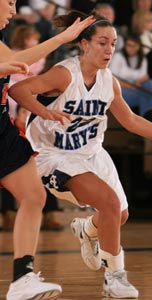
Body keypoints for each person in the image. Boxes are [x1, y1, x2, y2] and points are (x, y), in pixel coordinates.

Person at [9, 10, 152, 298]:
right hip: (54, 155)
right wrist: (44, 110)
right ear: (84, 44)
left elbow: (131, 121)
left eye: (113, 43)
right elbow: (19, 90)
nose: (109, 49)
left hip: (92, 153)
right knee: (109, 204)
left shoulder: (109, 81)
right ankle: (115, 278)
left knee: (119, 215)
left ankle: (87, 229)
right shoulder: (64, 73)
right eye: (102, 42)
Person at [0, 1, 95, 299]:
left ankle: (22, 278)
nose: (13, 11)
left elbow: (19, 60)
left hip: (2, 127)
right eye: (10, 3)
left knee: (33, 195)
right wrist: (62, 39)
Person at [109, 33, 152, 122]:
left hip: (136, 88)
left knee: (150, 83)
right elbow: (112, 78)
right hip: (120, 89)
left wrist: (137, 84)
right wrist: (130, 86)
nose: (130, 48)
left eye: (134, 46)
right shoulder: (118, 56)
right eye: (128, 45)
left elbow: (144, 77)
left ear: (139, 46)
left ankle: (146, 115)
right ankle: (147, 113)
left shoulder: (142, 58)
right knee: (145, 96)